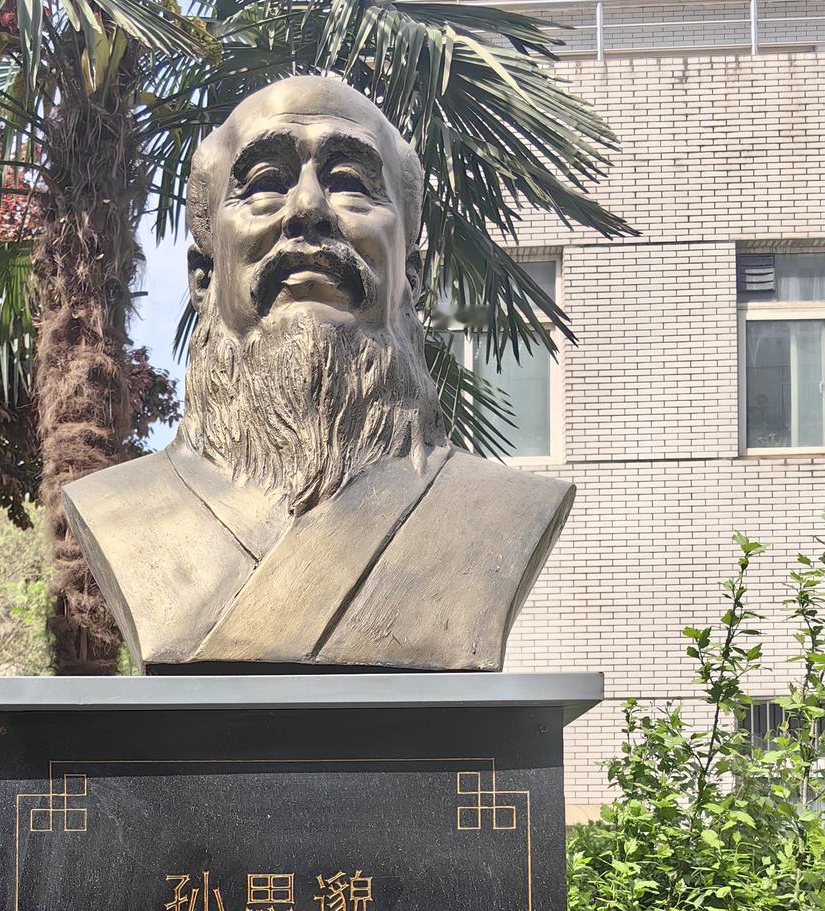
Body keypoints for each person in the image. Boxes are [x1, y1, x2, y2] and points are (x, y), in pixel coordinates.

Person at [63, 75, 573, 672]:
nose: (308, 210)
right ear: (204, 276)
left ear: (411, 277)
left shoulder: (497, 514)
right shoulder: (119, 511)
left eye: (351, 183)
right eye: (264, 184)